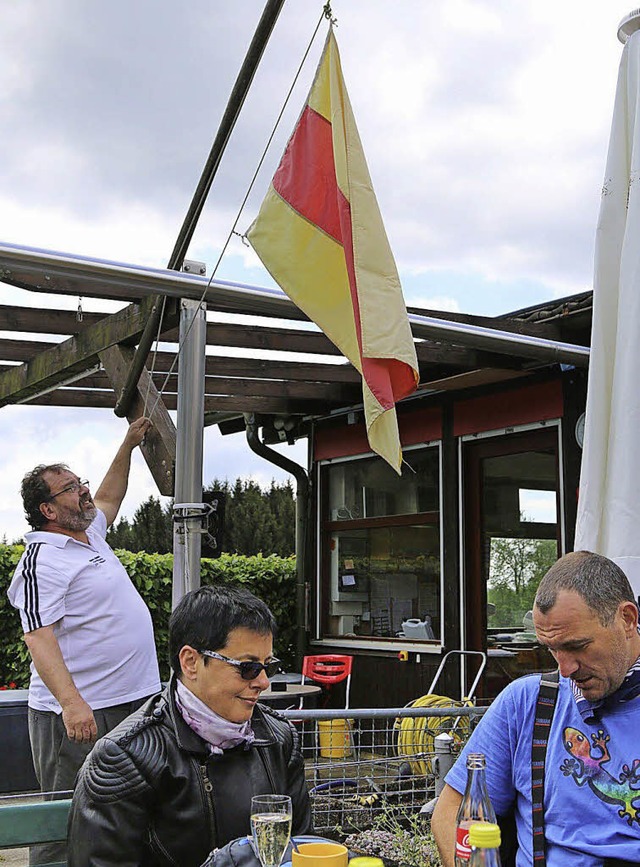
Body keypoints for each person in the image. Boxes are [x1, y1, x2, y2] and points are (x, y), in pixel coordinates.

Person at [67, 583, 313, 867]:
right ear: (191, 662)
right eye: (248, 667)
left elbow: (303, 850)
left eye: (268, 666)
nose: (262, 682)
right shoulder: (125, 757)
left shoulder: (279, 739)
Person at [7, 417, 161, 865]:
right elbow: (38, 636)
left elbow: (111, 494)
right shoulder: (41, 559)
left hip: (132, 701)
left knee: (123, 808)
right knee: (64, 818)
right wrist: (73, 704)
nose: (84, 491)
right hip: (77, 715)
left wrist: (128, 445)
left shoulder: (90, 536)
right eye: (71, 488)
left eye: (81, 482)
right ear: (48, 510)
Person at [431, 550, 640, 867]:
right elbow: (451, 811)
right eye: (553, 649)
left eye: (576, 646)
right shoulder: (527, 702)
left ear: (626, 619)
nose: (565, 668)